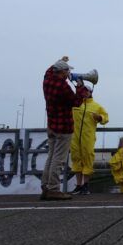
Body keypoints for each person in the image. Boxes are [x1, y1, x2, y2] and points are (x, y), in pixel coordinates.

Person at [42, 56, 88, 200]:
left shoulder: (47, 80)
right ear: (61, 72)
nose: (68, 73)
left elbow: (48, 70)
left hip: (51, 125)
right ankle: (54, 189)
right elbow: (76, 102)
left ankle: (46, 186)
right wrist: (80, 87)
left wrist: (61, 60)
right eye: (67, 71)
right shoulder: (63, 87)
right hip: (63, 127)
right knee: (58, 159)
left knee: (50, 157)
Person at [70, 85, 109, 195]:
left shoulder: (96, 106)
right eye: (83, 91)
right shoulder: (75, 103)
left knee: (87, 157)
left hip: (88, 136)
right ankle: (78, 185)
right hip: (74, 136)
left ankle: (86, 185)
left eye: (87, 91)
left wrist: (100, 118)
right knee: (76, 158)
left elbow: (106, 118)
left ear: (91, 92)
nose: (85, 92)